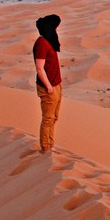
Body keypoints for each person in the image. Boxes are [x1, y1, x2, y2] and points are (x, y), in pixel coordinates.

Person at [32, 14, 62, 152]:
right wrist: (49, 86)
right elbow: (39, 67)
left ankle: (51, 145)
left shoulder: (48, 41)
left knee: (54, 117)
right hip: (48, 87)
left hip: (56, 85)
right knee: (48, 119)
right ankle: (46, 148)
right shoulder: (42, 43)